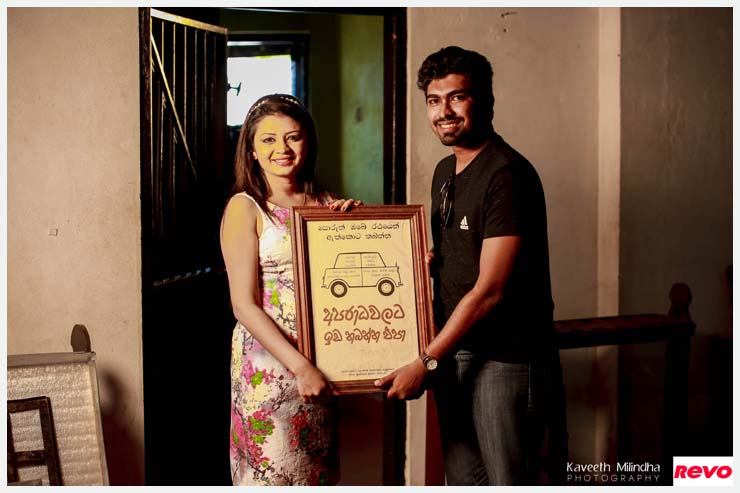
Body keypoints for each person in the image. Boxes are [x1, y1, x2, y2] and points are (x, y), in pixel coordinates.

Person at [375, 46, 567, 485]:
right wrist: (424, 262)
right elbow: (463, 256)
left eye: (457, 97)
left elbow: (490, 289)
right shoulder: (445, 170)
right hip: (455, 352)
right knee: (464, 481)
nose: (444, 112)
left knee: (510, 482)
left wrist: (426, 361)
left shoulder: (507, 174)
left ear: (486, 101)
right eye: (433, 100)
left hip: (506, 358)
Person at [221, 94, 360, 486]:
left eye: (293, 137)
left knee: (315, 474)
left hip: (323, 360)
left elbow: (349, 283)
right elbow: (243, 305)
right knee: (273, 475)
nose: (281, 148)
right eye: (268, 139)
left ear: (307, 142)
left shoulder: (328, 202)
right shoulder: (245, 207)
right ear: (251, 150)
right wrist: (301, 367)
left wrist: (366, 231)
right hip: (271, 366)